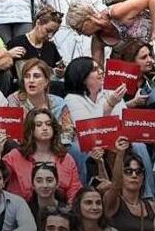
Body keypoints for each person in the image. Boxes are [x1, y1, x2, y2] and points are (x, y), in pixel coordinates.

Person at [62, 56, 155, 194]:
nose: (101, 71)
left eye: (100, 68)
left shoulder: (110, 92)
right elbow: (87, 129)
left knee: (139, 146)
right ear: (82, 77)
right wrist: (110, 104)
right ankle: (83, 195)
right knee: (79, 149)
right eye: (94, 69)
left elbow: (123, 120)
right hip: (90, 143)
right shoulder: (72, 99)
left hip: (116, 138)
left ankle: (149, 196)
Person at [1, 108, 80, 203]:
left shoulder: (66, 159)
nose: (45, 128)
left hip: (58, 209)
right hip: (20, 208)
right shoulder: (15, 156)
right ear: (30, 129)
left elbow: (74, 191)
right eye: (38, 125)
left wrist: (70, 208)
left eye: (48, 124)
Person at [66, 0, 155, 65]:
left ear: (88, 19)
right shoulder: (98, 40)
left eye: (79, 28)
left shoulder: (116, 13)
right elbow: (98, 68)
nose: (79, 33)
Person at [6, 59, 74, 146]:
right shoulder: (14, 101)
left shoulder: (58, 103)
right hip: (24, 148)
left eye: (36, 76)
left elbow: (68, 134)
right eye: (27, 76)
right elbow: (13, 135)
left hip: (54, 147)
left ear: (46, 81)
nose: (31, 80)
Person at [5, 8, 65, 95]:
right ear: (38, 23)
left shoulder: (51, 46)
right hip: (23, 89)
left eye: (54, 33)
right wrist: (8, 55)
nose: (50, 36)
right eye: (48, 31)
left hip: (46, 91)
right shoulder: (17, 43)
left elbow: (56, 69)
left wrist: (59, 72)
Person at [102, 137, 154, 231]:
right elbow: (115, 185)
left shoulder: (151, 206)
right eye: (128, 171)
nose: (134, 175)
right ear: (121, 175)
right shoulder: (114, 202)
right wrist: (120, 154)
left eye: (138, 171)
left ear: (143, 177)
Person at [113, 39, 155, 108]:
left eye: (150, 55)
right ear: (132, 61)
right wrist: (133, 103)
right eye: (144, 57)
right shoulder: (119, 84)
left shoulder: (151, 78)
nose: (150, 60)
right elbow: (111, 109)